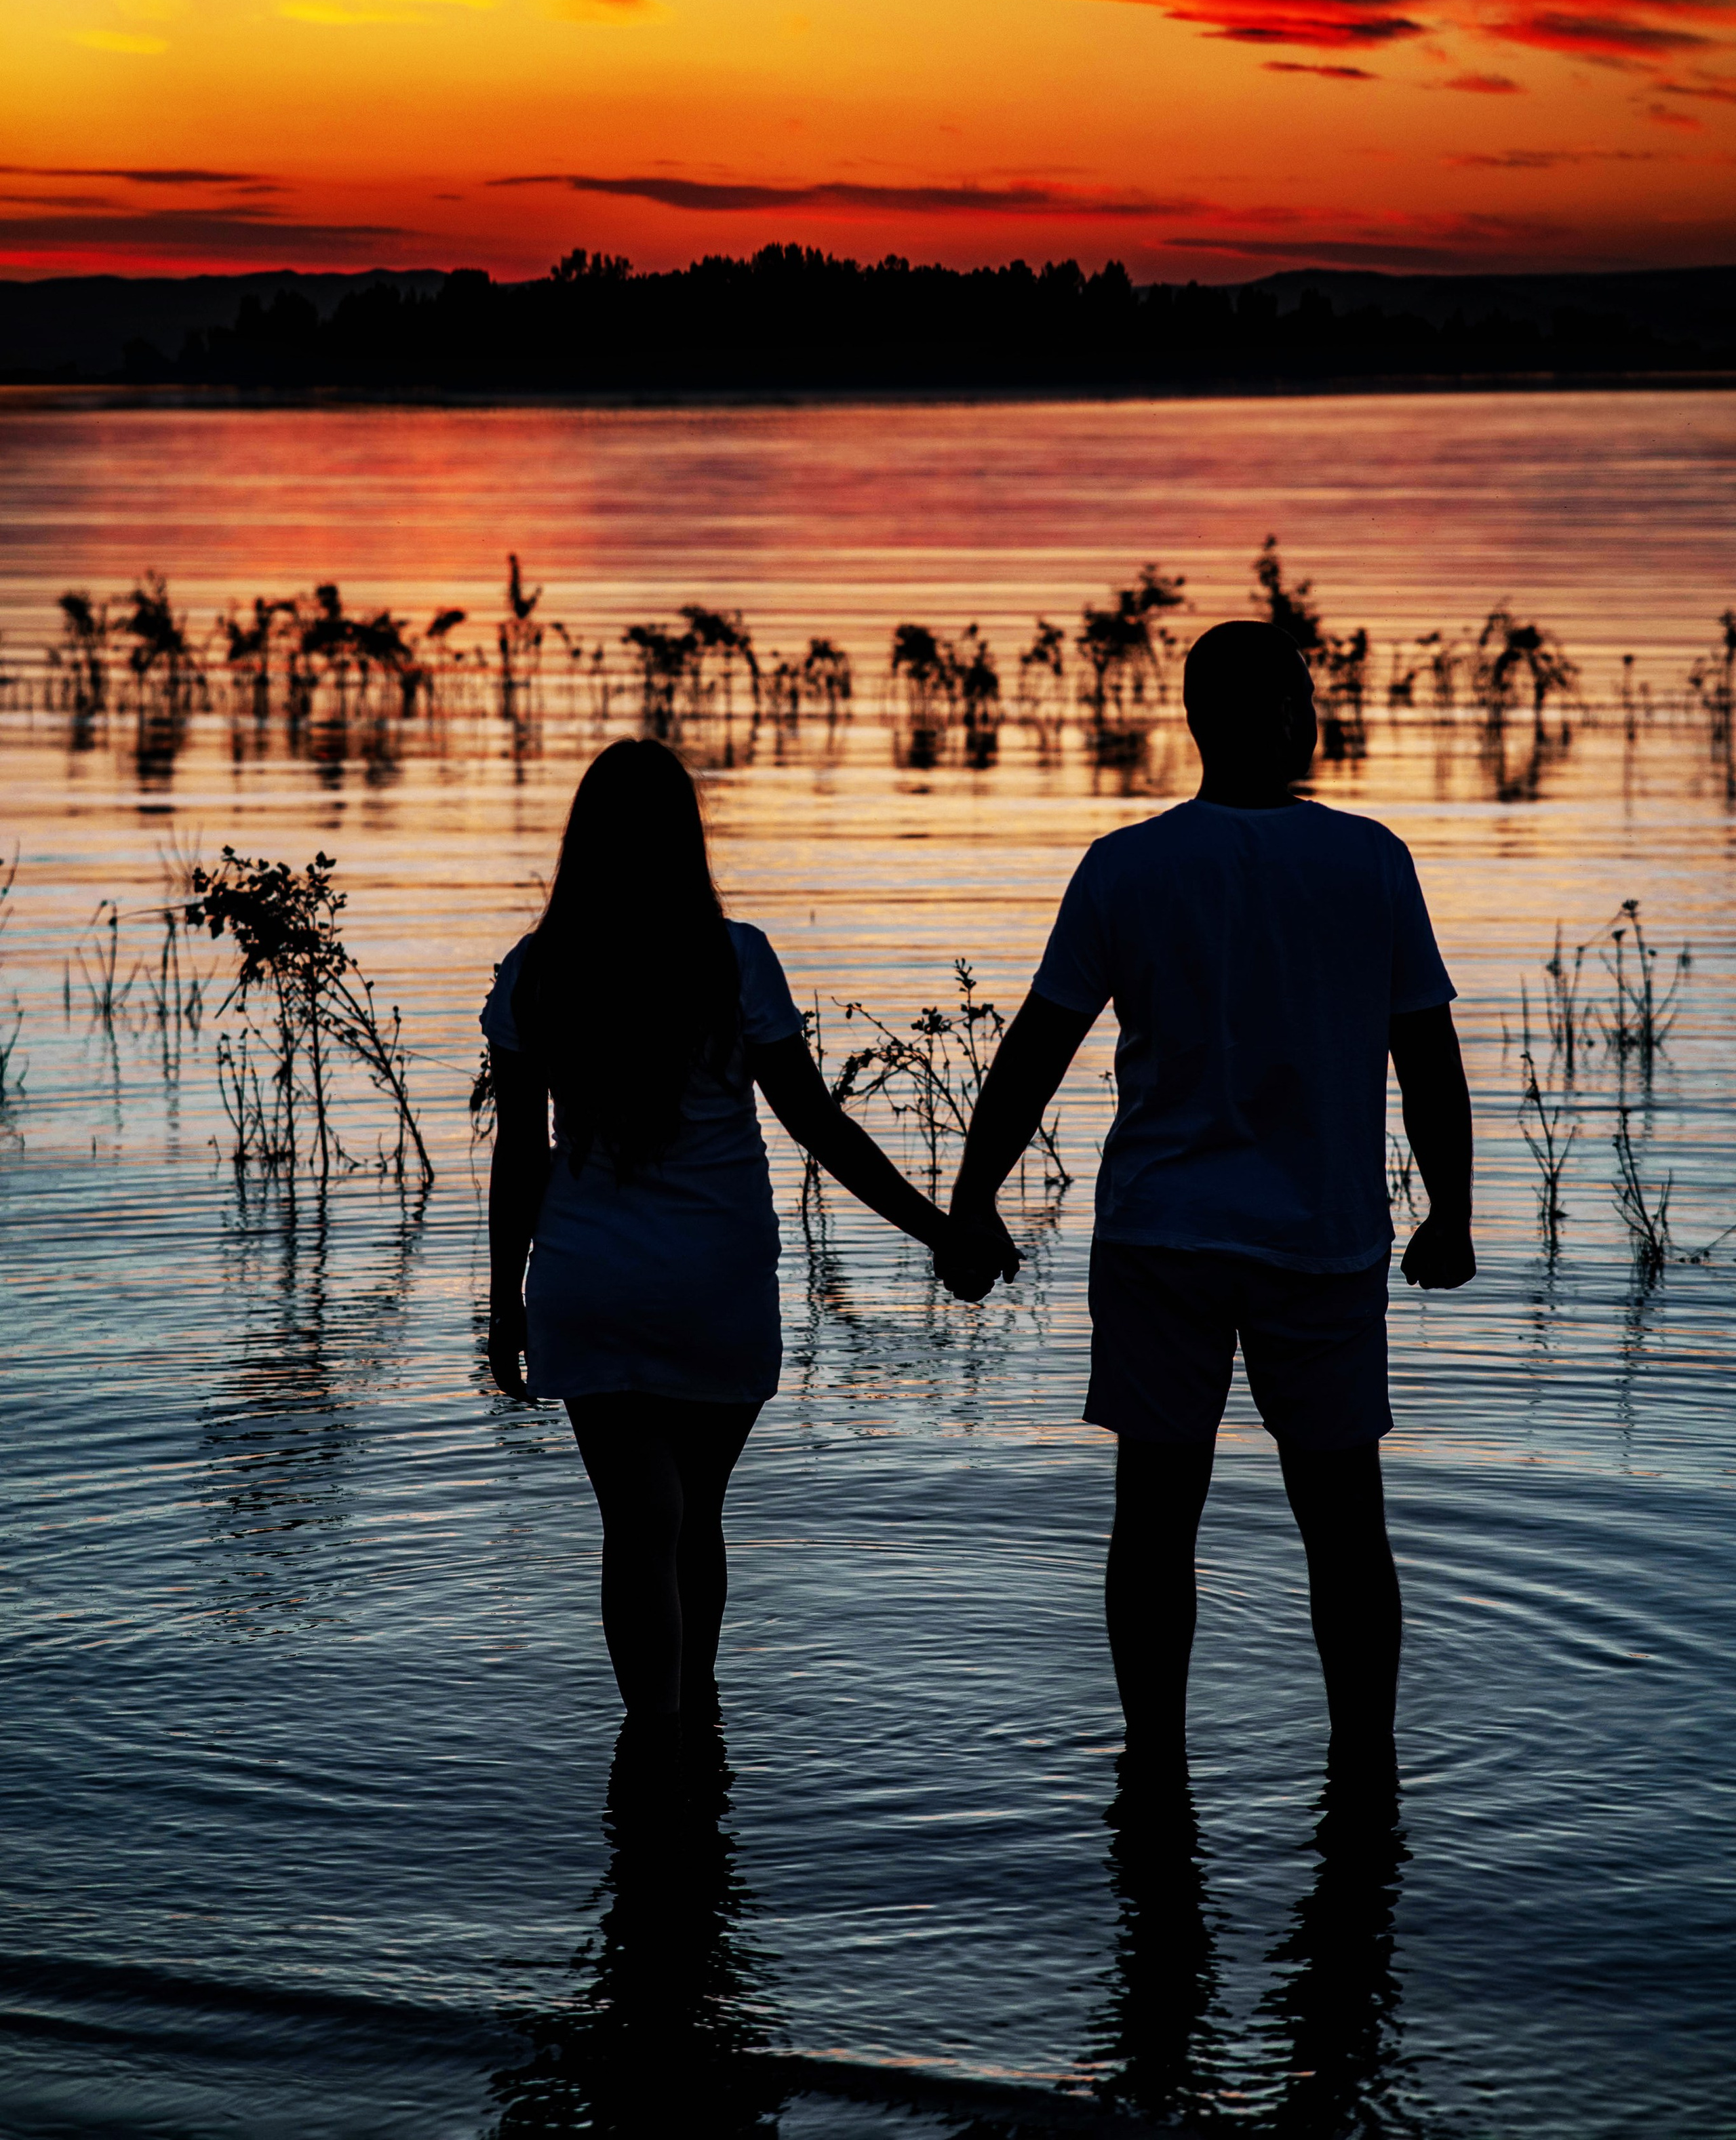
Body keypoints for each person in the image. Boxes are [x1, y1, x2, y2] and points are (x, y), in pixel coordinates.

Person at [948, 620, 1474, 1782]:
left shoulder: (1129, 865)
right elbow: (1427, 1054)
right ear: (1283, 716)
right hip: (1318, 1242)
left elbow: (1036, 1050)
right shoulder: (1370, 861)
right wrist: (1452, 1210)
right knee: (1343, 1523)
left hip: (1162, 1235)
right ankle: (1364, 1768)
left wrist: (972, 1199)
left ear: (1194, 721)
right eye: (1301, 692)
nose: (1312, 710)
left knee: (1156, 1519)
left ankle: (1156, 1764)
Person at [483, 738, 1010, 1734]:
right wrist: (940, 1227)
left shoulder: (536, 974)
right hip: (711, 1285)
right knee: (692, 1517)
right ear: (687, 841)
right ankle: (693, 1727)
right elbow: (820, 1126)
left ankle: (658, 1740)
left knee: (639, 1526)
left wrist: (504, 1298)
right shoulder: (736, 961)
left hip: (588, 1285)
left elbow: (520, 1158)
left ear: (582, 843)